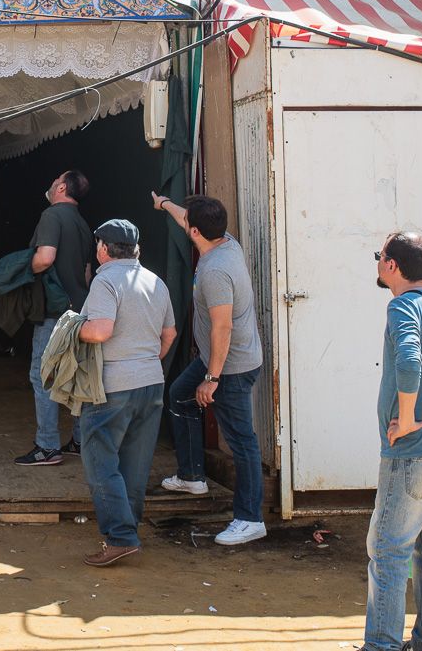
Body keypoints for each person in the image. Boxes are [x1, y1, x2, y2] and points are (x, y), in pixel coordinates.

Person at [363, 231, 422, 651]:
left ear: (392, 266)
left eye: (379, 256)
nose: (378, 263)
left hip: (413, 452)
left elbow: (408, 359)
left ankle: (381, 645)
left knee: (387, 551)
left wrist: (404, 421)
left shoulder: (402, 305)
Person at [152, 193, 267, 546]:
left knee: (243, 442)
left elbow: (223, 327)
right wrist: (165, 204)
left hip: (230, 365)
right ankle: (192, 476)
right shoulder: (225, 242)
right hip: (219, 359)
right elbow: (190, 217)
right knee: (179, 396)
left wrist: (212, 378)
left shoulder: (216, 271)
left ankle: (250, 519)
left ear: (196, 231)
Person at [75, 219, 177, 567]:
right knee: (135, 464)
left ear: (103, 249)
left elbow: (101, 331)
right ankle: (128, 532)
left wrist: (74, 329)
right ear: (137, 250)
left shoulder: (105, 281)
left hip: (112, 387)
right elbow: (170, 334)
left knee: (100, 461)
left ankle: (119, 537)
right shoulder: (156, 282)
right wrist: (145, 362)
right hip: (151, 383)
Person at [15, 169, 94, 467]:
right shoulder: (84, 224)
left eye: (53, 182)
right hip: (79, 308)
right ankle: (79, 439)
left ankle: (47, 446)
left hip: (53, 311)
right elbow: (86, 274)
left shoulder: (52, 216)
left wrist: (23, 269)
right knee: (74, 375)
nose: (49, 185)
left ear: (61, 187)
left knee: (42, 374)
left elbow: (45, 258)